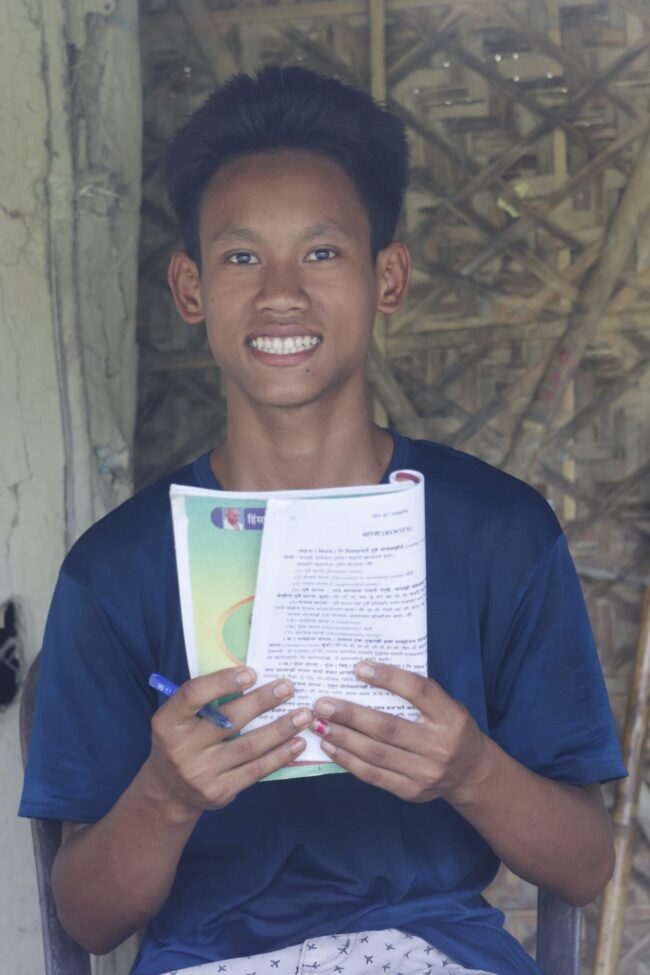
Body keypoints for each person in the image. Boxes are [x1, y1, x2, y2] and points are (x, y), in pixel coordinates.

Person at [20, 66, 625, 975]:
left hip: (439, 954)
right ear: (189, 289)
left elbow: (584, 861)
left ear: (389, 277)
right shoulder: (117, 571)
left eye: (321, 253)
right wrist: (167, 795)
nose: (280, 294)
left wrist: (472, 772)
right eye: (239, 257)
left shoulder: (499, 535)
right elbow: (90, 919)